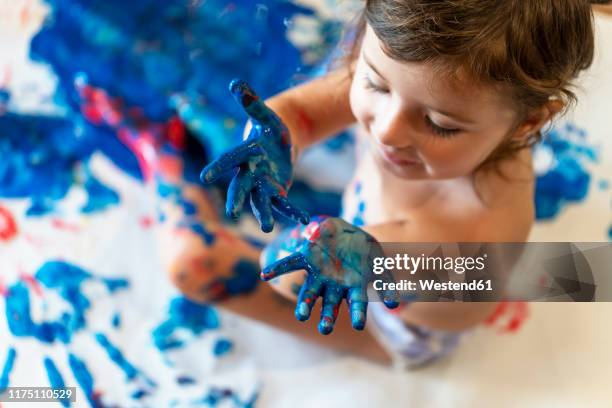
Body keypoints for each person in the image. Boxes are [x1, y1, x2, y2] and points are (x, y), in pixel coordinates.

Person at [160, 0, 601, 368]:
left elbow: (289, 275)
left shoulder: (471, 235)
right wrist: (275, 140)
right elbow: (297, 114)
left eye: (439, 124)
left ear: (528, 122)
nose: (387, 130)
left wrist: (314, 244)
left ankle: (162, 163)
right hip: (354, 244)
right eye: (373, 82)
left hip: (385, 315)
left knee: (192, 262)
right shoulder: (408, 78)